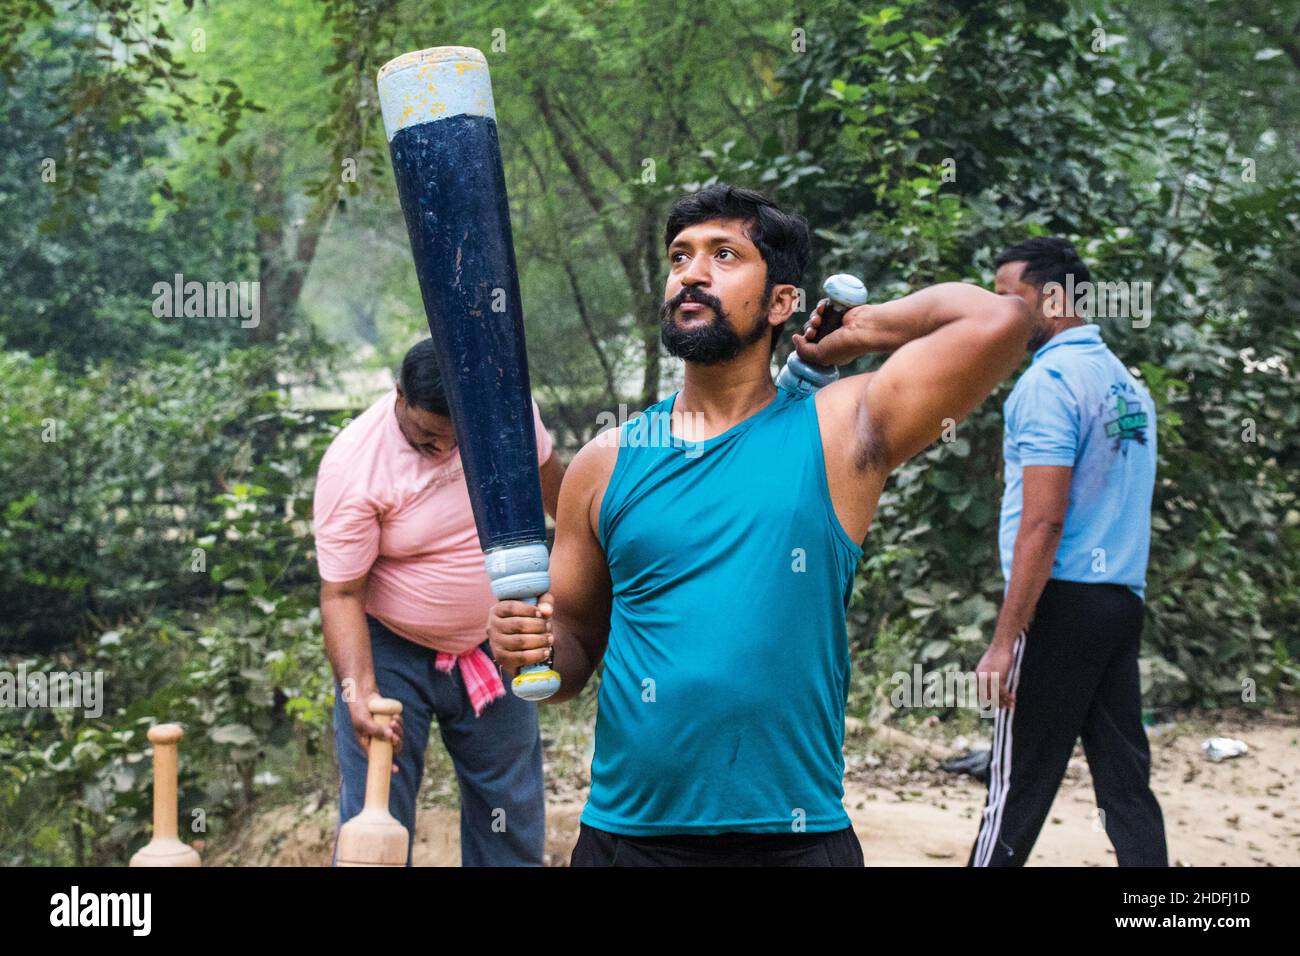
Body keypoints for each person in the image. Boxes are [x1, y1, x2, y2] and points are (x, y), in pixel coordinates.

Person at [487, 184, 1033, 866]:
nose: (692, 272)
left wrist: (869, 328)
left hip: (797, 838)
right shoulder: (605, 463)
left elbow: (1002, 319)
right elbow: (572, 649)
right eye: (680, 256)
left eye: (724, 255)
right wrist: (530, 648)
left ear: (782, 302)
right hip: (629, 839)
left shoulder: (839, 431)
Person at [313, 338, 564, 866]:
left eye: (454, 441)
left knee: (509, 810)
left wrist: (571, 578)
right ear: (399, 395)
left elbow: (560, 496)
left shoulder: (503, 415)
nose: (440, 451)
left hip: (498, 638)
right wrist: (359, 693)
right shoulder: (354, 465)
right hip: (392, 650)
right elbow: (340, 593)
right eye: (427, 437)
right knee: (379, 803)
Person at [969, 237, 1167, 867]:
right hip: (1119, 604)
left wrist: (1005, 639)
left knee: (1016, 783)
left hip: (1057, 608)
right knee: (1125, 782)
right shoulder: (1128, 387)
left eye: (1009, 300)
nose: (999, 315)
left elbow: (1044, 520)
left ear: (1052, 301)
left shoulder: (1048, 382)